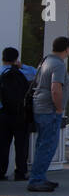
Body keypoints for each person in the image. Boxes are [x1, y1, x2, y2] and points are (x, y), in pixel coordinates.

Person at [28, 36, 69, 192]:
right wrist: (59, 108)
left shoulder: (45, 61)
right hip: (49, 110)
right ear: (67, 49)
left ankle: (39, 176)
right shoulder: (58, 65)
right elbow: (55, 88)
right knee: (48, 146)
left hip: (40, 107)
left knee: (42, 144)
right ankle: (37, 179)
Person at [1, 47, 31, 182]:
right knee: (21, 144)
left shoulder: (1, 72)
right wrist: (22, 66)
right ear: (16, 59)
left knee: (2, 144)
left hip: (3, 113)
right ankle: (21, 172)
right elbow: (36, 73)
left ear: (2, 57)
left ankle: (1, 172)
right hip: (20, 113)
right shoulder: (22, 73)